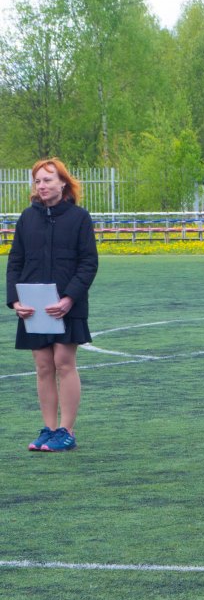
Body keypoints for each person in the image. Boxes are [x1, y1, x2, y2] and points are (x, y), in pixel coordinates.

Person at [6, 158, 99, 452]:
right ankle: (48, 428)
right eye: (38, 181)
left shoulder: (79, 218)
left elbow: (88, 263)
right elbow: (15, 263)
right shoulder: (27, 218)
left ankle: (66, 430)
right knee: (43, 366)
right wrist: (15, 301)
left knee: (63, 363)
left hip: (68, 305)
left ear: (63, 183)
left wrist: (69, 298)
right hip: (34, 308)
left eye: (48, 180)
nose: (42, 186)